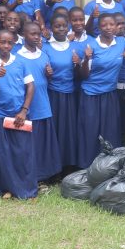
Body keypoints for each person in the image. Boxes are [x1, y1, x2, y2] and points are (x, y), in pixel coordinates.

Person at [77, 13, 125, 168]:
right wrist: (87, 59)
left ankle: (108, 167)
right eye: (104, 25)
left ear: (117, 26)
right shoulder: (91, 46)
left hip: (109, 94)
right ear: (98, 28)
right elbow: (83, 75)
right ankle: (88, 166)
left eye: (111, 25)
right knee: (90, 131)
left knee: (110, 132)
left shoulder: (122, 42)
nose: (108, 28)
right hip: (91, 95)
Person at [0, 29, 37, 199]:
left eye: (9, 43)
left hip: (19, 116)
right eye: (2, 42)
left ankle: (27, 190)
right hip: (0, 115)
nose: (6, 46)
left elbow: (31, 87)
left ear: (14, 44)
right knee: (2, 154)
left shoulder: (20, 62)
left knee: (22, 153)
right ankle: (5, 189)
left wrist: (24, 110)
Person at [18, 22, 62, 183]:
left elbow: (45, 79)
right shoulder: (17, 57)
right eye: (32, 34)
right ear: (24, 35)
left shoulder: (43, 55)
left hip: (43, 102)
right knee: (29, 142)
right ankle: (31, 175)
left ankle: (45, 175)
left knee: (43, 141)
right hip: (28, 105)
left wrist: (49, 75)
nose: (36, 37)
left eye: (38, 34)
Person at [42, 14, 83, 172]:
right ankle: (53, 167)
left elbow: (79, 74)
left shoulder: (74, 47)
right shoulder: (45, 47)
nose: (61, 29)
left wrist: (78, 64)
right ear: (51, 28)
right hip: (52, 95)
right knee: (54, 131)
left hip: (70, 95)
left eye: (64, 26)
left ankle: (67, 166)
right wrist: (48, 73)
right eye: (57, 26)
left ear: (68, 27)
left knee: (68, 131)